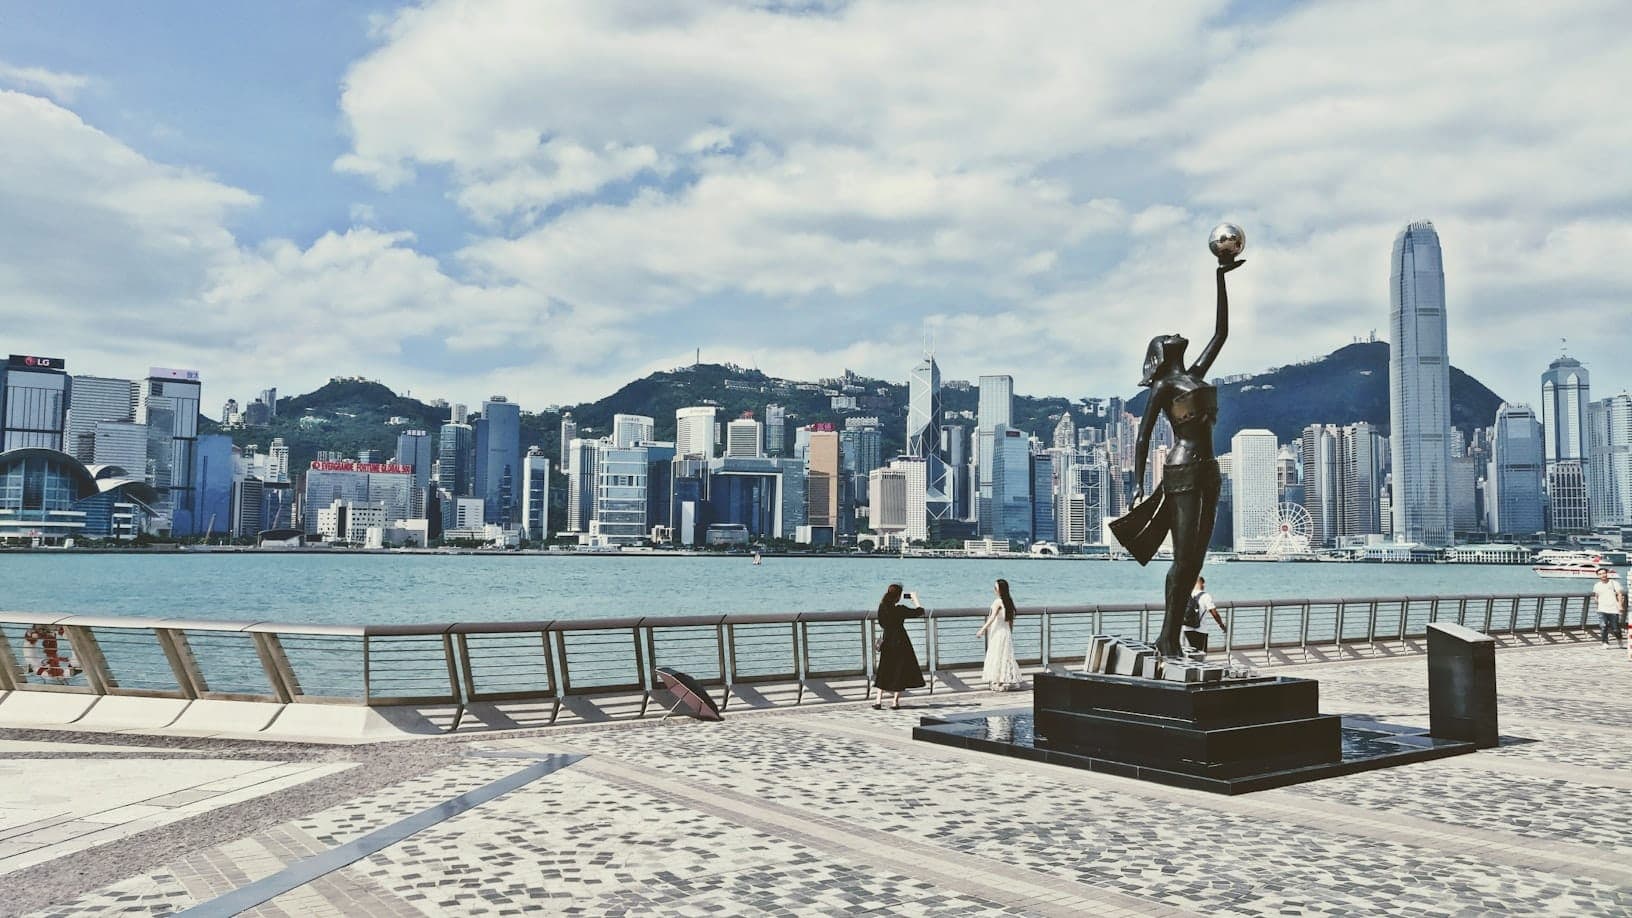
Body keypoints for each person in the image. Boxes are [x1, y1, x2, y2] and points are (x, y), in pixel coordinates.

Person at [1110, 252, 1243, 658]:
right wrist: (1136, 485)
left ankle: (1170, 636)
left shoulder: (1195, 374)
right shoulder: (1163, 388)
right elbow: (1143, 437)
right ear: (1160, 352)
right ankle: (1167, 637)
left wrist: (1221, 278)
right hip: (1182, 471)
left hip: (1209, 471)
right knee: (1183, 560)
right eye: (1166, 335)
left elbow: (1222, 332)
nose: (1175, 333)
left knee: (1196, 560)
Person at [872, 583, 926, 709]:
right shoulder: (900, 609)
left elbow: (881, 623)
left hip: (887, 641)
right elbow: (920, 612)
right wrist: (915, 599)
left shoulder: (882, 607)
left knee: (884, 669)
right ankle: (895, 702)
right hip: (901, 641)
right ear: (898, 596)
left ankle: (878, 701)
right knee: (898, 671)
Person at [975, 579, 1023, 691]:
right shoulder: (1009, 602)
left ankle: (997, 681)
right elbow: (1011, 621)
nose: (994, 590)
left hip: (997, 632)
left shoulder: (997, 602)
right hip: (1006, 633)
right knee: (1004, 656)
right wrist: (1010, 633)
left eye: (995, 588)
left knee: (996, 655)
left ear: (1000, 590)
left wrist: (982, 630)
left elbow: (991, 618)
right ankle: (1002, 680)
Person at [1182, 576, 1227, 657]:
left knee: (1190, 653)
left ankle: (1191, 667)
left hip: (1187, 628)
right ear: (1201, 583)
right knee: (1201, 654)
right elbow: (1214, 613)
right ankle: (1198, 668)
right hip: (1201, 629)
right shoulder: (1205, 596)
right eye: (1203, 584)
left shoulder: (1186, 594)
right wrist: (1221, 625)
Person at [1591, 567, 1625, 649]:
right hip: (1602, 609)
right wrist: (1596, 604)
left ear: (1607, 574)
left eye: (1603, 573)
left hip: (1613, 609)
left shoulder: (1614, 583)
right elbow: (1596, 596)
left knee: (1615, 628)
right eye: (1600, 574)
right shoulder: (1597, 585)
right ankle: (1605, 643)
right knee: (1603, 626)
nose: (1602, 575)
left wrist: (1620, 606)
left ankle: (1619, 640)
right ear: (1598, 576)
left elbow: (1619, 595)